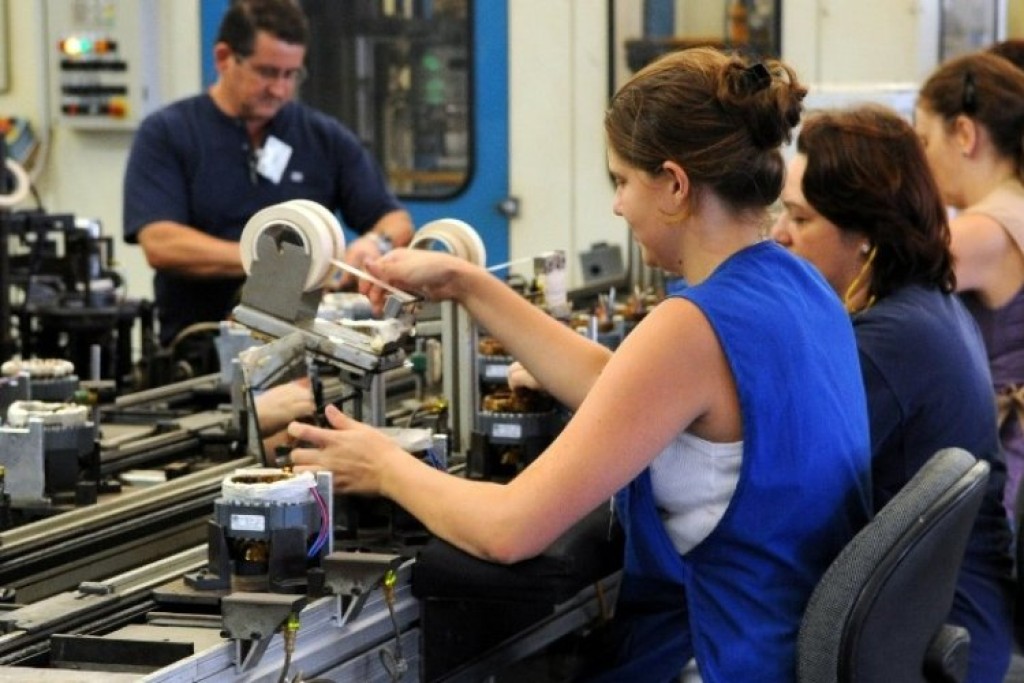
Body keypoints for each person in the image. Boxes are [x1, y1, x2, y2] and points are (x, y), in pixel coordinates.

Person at [286, 47, 873, 681]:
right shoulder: (801, 285)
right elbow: (619, 388)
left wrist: (384, 466)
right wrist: (467, 284)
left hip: (724, 663)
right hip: (785, 651)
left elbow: (508, 529)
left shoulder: (692, 326)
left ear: (675, 185)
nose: (618, 205)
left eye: (622, 181)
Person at [771, 104, 1014, 683]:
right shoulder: (927, 306)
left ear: (866, 238)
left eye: (800, 218)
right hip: (956, 624)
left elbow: (777, 483)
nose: (779, 234)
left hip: (926, 638)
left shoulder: (887, 343)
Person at [123, 0, 414, 348]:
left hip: (305, 348)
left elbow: (395, 221)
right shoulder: (168, 133)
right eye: (266, 72)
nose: (279, 89)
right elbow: (161, 242)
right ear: (224, 58)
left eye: (290, 74)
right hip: (198, 347)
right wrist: (278, 262)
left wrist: (375, 243)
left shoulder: (323, 138)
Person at [914, 52, 1024, 519]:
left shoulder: (983, 230)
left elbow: (879, 286)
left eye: (924, 140)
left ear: (963, 133)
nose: (922, 159)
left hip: (1007, 457)